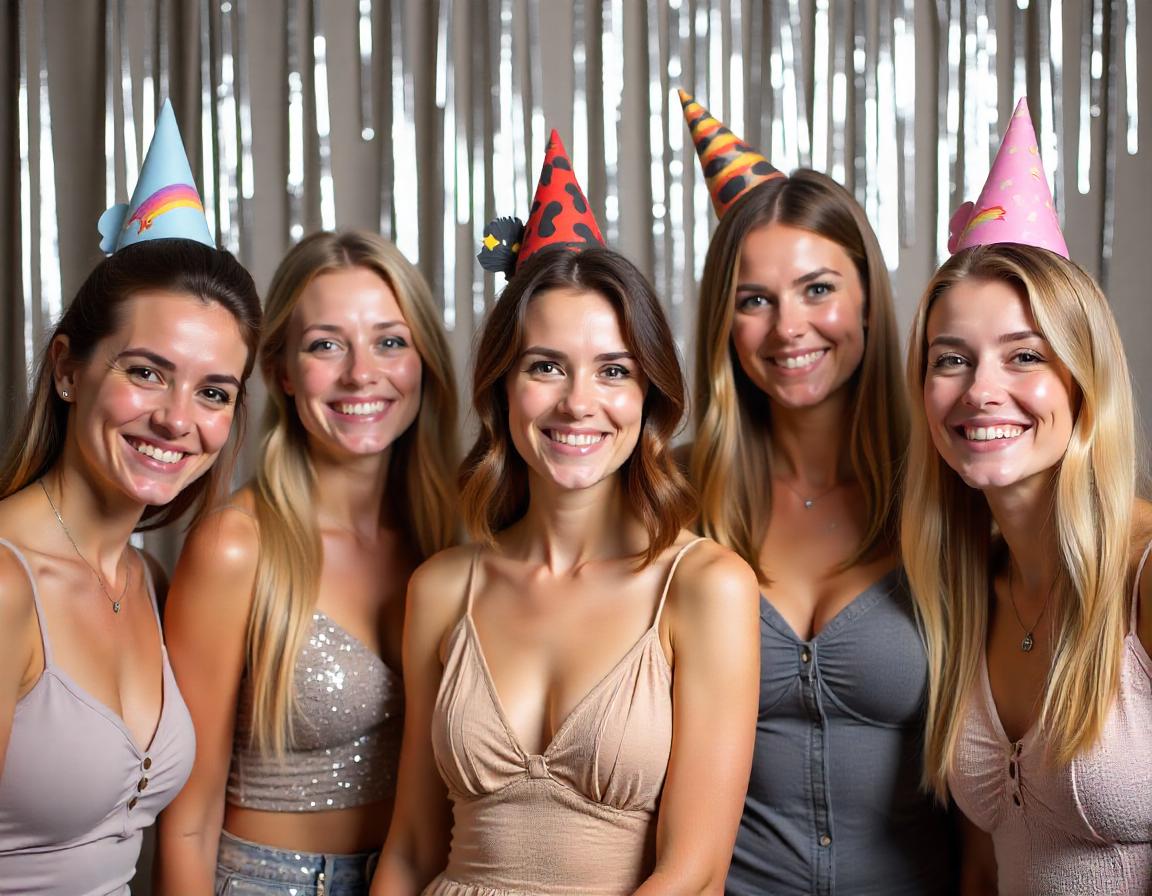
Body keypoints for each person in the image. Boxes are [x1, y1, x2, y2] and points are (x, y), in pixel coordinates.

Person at [375, 131, 760, 896]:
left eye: (613, 370)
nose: (578, 403)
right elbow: (413, 848)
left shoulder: (705, 586)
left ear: (648, 394)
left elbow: (695, 871)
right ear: (504, 388)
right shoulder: (443, 588)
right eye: (545, 366)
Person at [679, 91, 953, 895]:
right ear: (724, 325)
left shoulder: (949, 490)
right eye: (754, 300)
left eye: (818, 289)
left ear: (867, 295)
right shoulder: (673, 500)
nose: (789, 327)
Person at [0, 101, 262, 895]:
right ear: (69, 369)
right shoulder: (6, 584)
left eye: (213, 391)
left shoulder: (146, 583)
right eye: (145, 371)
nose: (177, 419)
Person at [155, 230, 458, 895]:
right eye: (326, 345)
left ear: (424, 363)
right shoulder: (235, 547)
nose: (360, 373)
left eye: (390, 341)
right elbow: (185, 821)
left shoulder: (454, 539)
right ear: (283, 372)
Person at [902, 98, 1152, 896]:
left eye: (1023, 357)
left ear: (1083, 380)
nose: (982, 392)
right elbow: (981, 867)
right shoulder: (966, 585)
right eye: (952, 359)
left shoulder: (1144, 578)